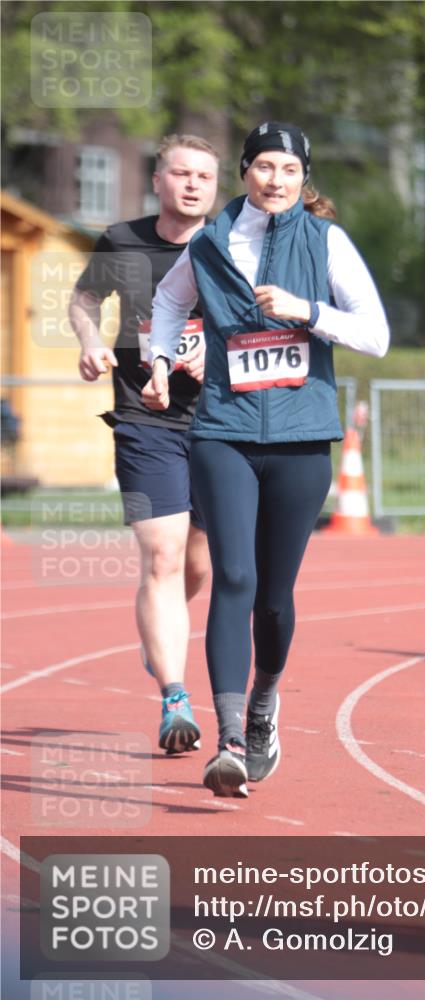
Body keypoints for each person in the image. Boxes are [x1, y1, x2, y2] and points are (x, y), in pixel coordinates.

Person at [146, 121, 389, 796]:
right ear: (244, 172)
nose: (275, 180)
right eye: (263, 167)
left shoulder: (326, 241)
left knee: (274, 600)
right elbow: (168, 301)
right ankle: (228, 740)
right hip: (222, 431)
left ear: (303, 178)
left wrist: (307, 311)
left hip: (300, 440)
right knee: (234, 576)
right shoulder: (210, 243)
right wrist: (161, 360)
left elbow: (375, 335)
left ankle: (262, 704)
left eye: (289, 170)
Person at [68, 134, 220, 755]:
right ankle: (174, 698)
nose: (192, 184)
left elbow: (263, 324)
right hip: (144, 420)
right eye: (181, 173)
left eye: (204, 176)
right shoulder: (122, 241)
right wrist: (89, 341)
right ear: (157, 181)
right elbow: (84, 299)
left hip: (218, 423)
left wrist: (220, 355)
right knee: (162, 557)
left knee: (199, 564)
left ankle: (159, 633)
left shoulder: (229, 246)